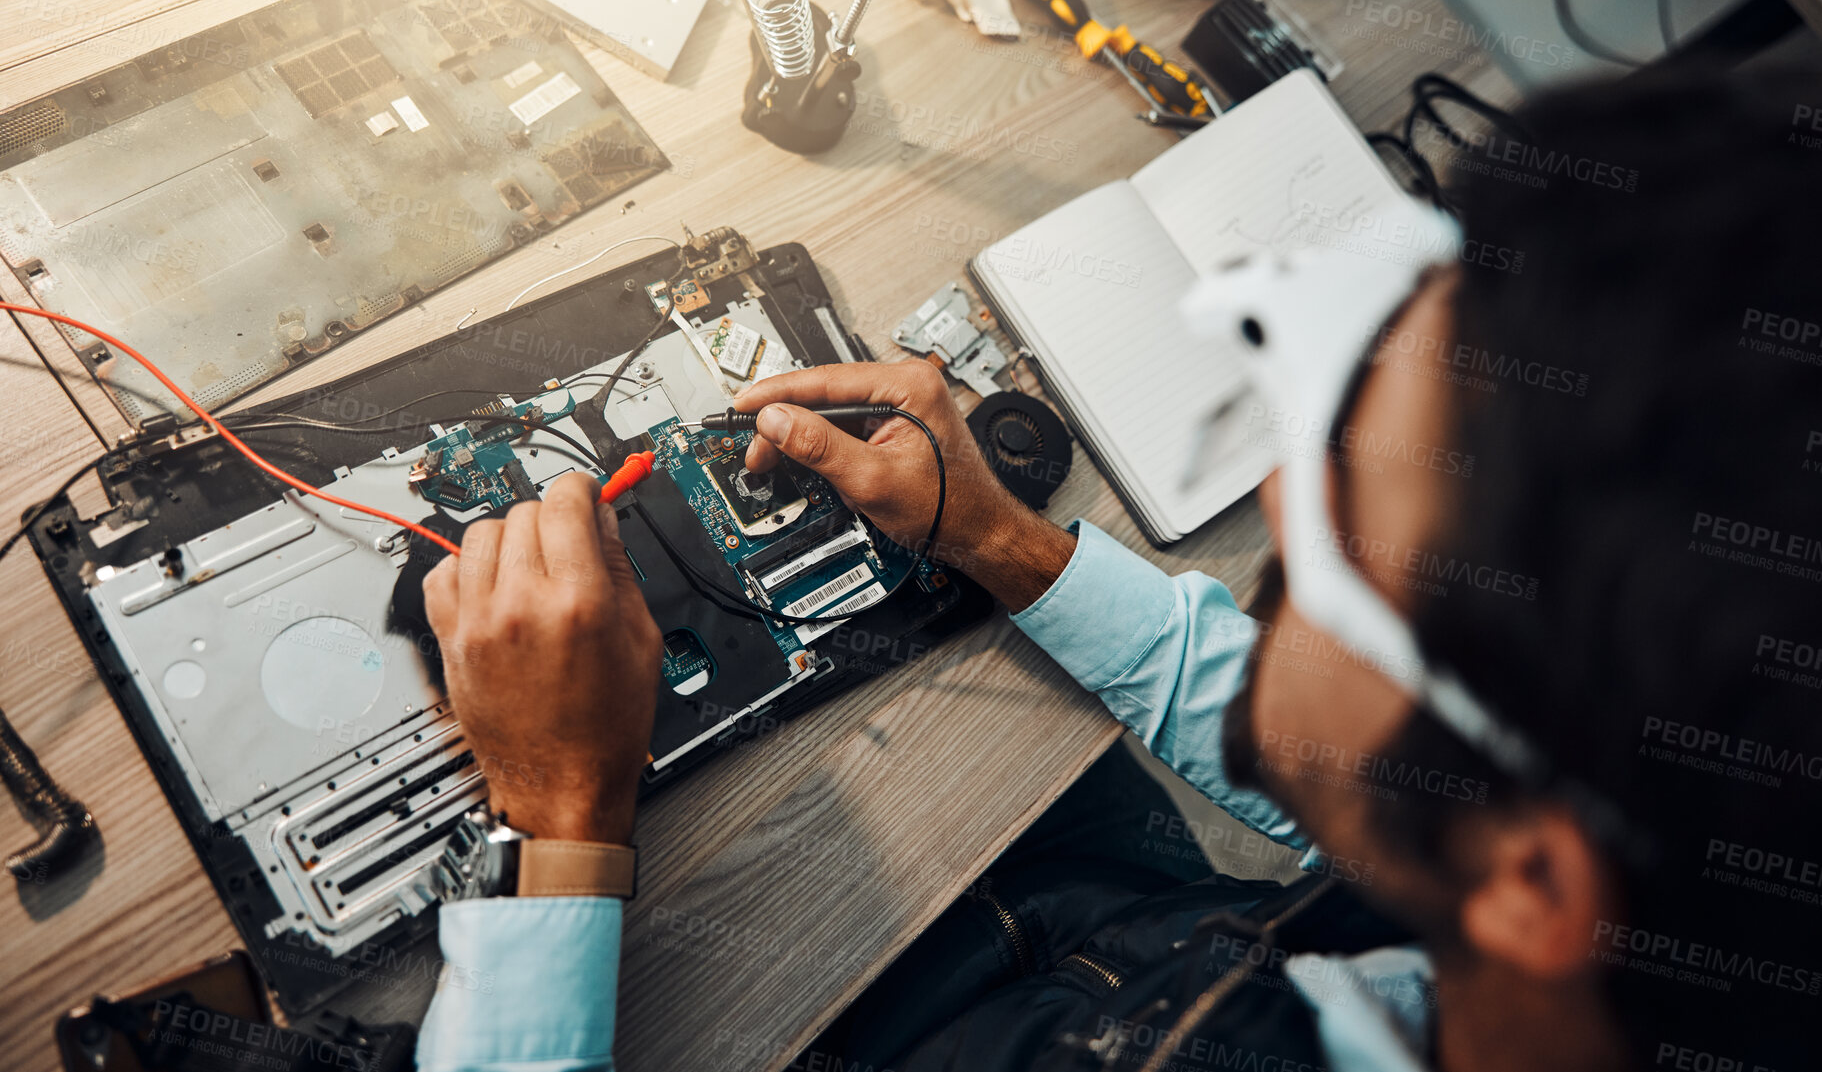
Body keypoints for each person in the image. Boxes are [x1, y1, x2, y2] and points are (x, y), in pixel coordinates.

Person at [413, 66, 1822, 1072]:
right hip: (1133, 941)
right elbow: (1387, 760)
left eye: (1346, 522)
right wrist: (996, 536)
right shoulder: (1637, 922)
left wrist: (555, 823)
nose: (1278, 489)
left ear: (1533, 880)